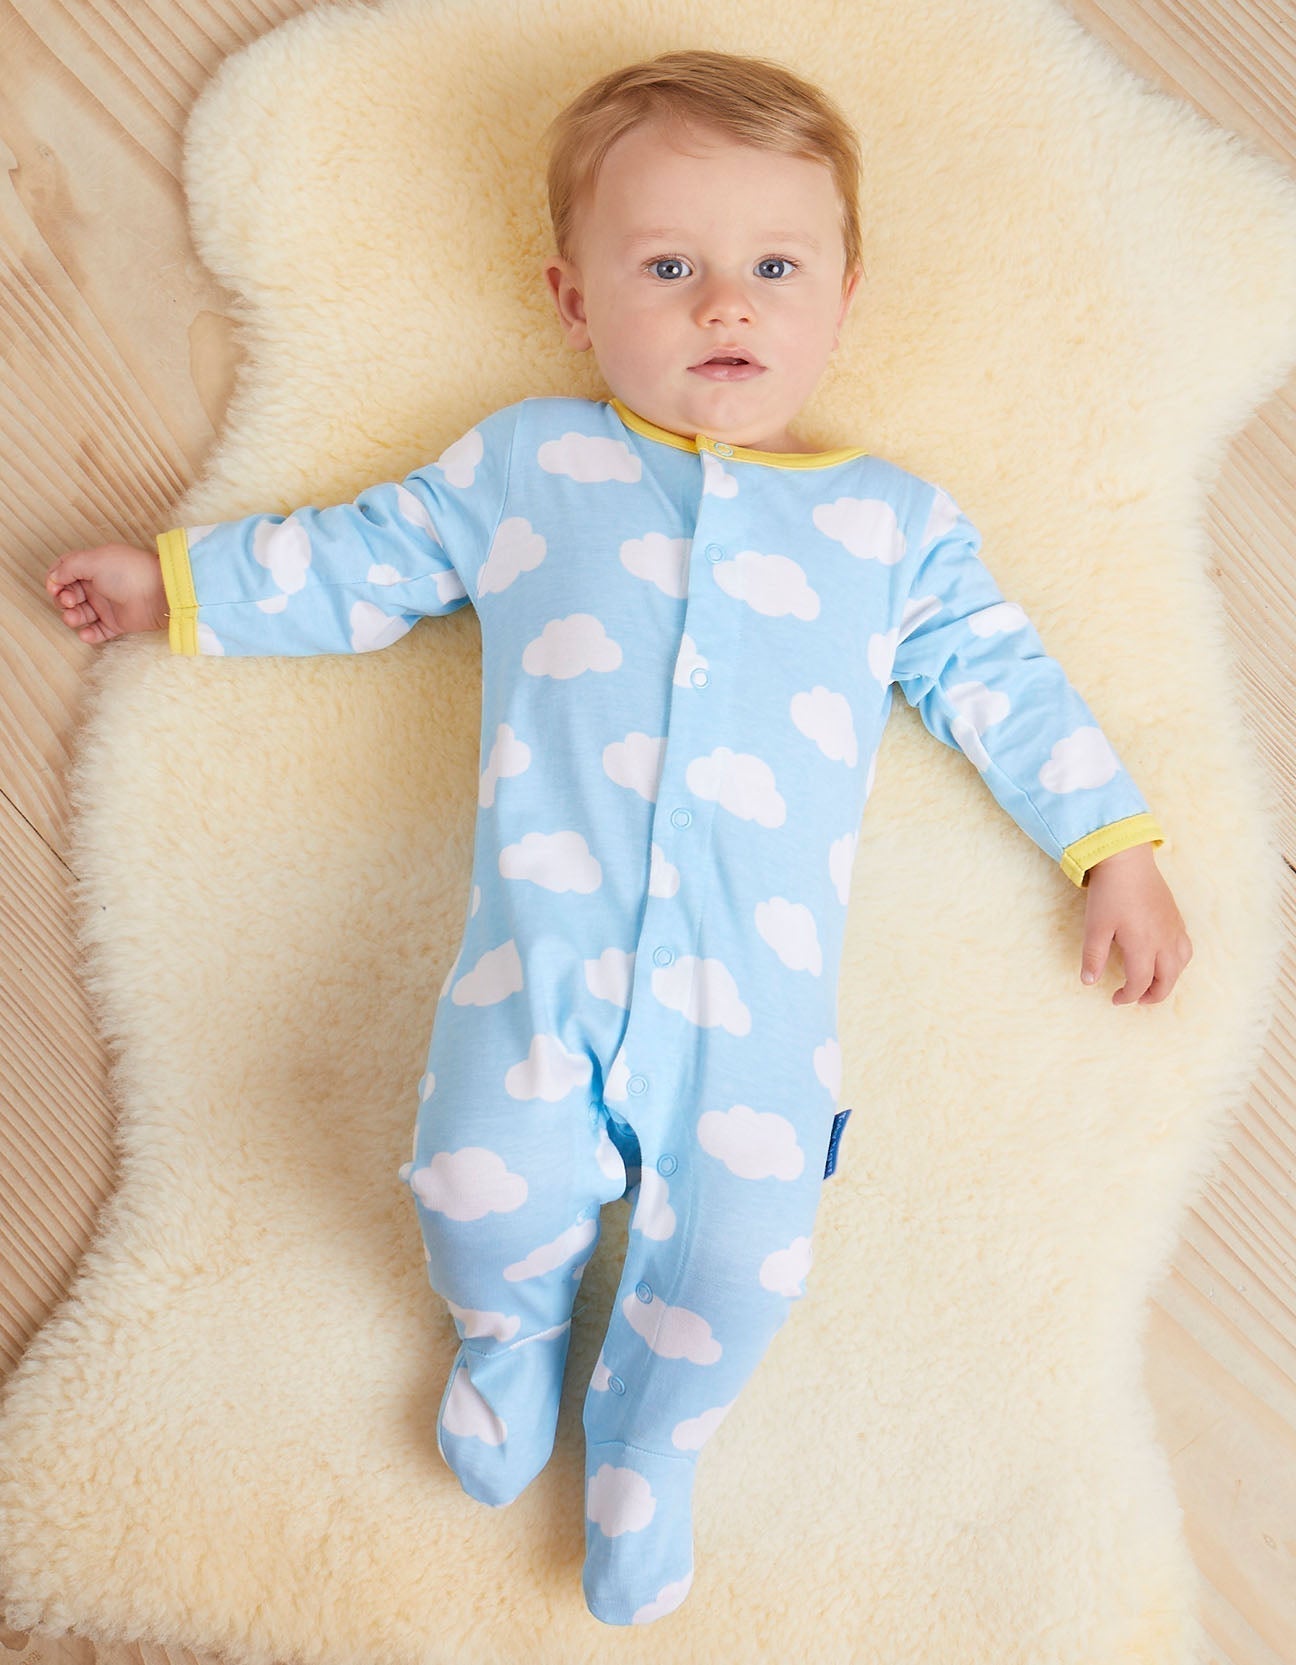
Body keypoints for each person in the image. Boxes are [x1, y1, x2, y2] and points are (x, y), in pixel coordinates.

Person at [44, 48, 1192, 1627]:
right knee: (477, 1181)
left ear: (843, 296)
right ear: (575, 300)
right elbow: (357, 559)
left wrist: (1110, 845)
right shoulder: (530, 468)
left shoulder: (890, 530)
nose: (727, 304)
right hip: (543, 964)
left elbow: (1004, 679)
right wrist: (176, 588)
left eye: (774, 268)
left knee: (741, 1262)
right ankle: (507, 1336)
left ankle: (654, 1437)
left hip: (758, 1015)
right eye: (671, 267)